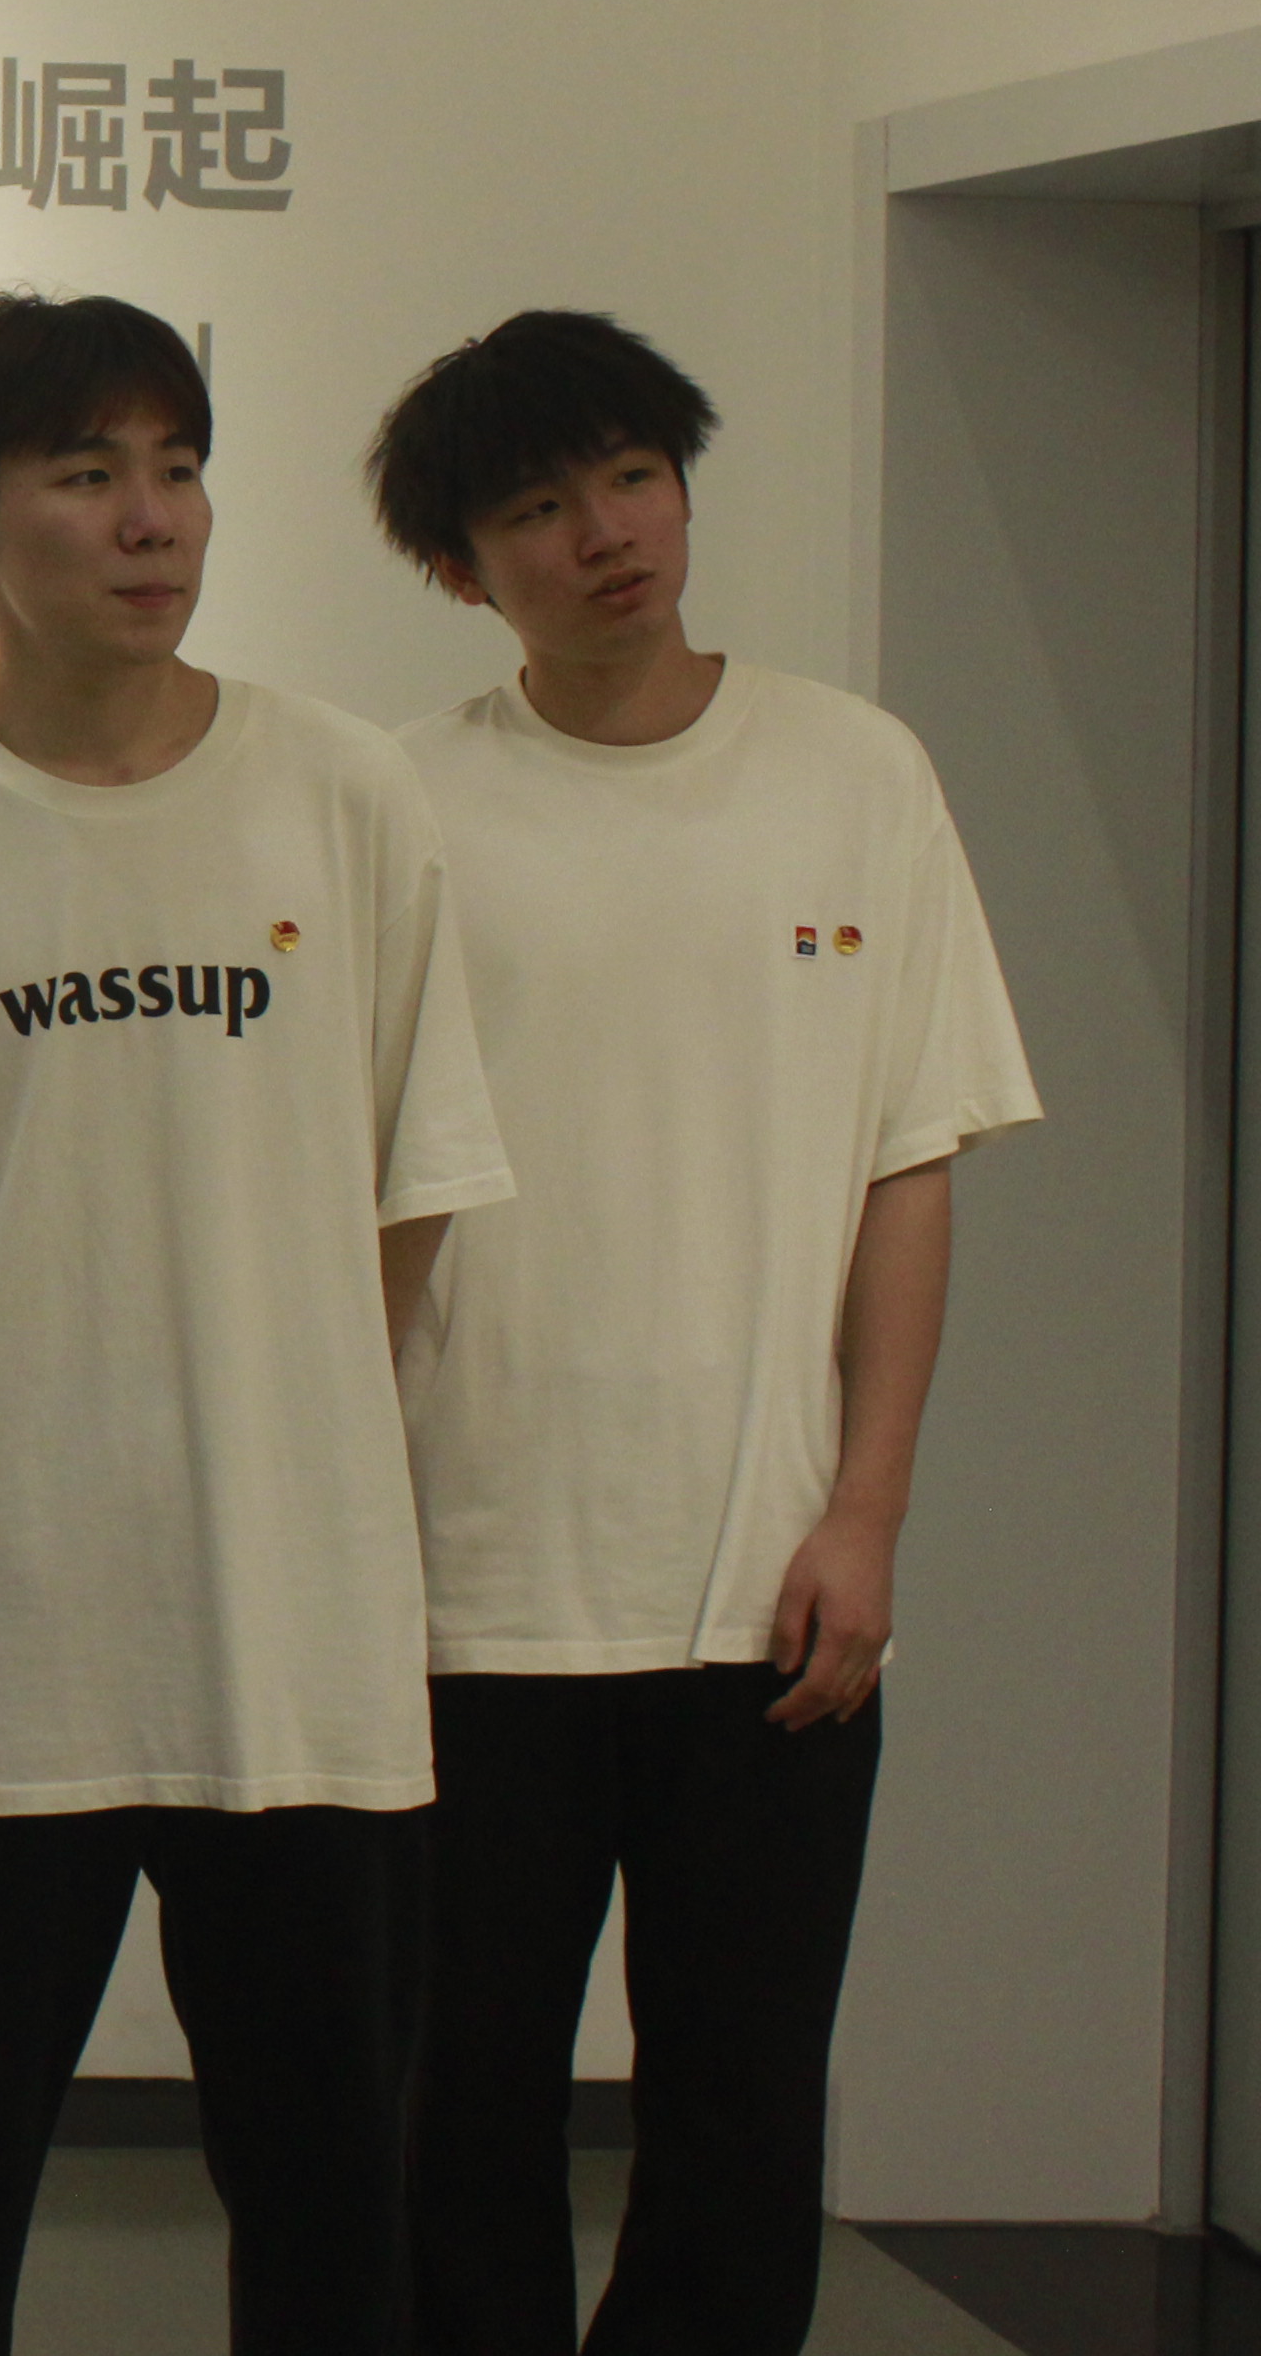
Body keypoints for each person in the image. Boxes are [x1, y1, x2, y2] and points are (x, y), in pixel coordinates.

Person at [0, 289, 513, 2356]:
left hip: (303, 1642)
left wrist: (282, 1409)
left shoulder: (343, 793)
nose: (153, 518)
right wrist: (44, 1373)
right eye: (88, 475)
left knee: (335, 2215)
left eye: (178, 467)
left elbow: (413, 1191)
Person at [365, 311, 1037, 2356]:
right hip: (462, 1596)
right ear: (463, 569)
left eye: (635, 477)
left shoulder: (856, 773)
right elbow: (353, 1210)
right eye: (538, 508)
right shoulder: (402, 809)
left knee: (743, 2118)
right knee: (455, 2119)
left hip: (770, 1596)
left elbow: (907, 1164)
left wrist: (869, 1512)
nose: (607, 534)